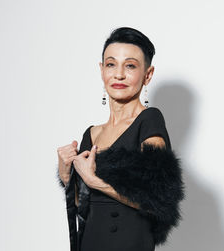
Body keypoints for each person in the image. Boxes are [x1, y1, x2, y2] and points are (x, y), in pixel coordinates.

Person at [57, 27, 185, 251]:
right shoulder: (91, 134)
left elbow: (158, 201)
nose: (118, 74)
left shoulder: (149, 121)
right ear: (101, 70)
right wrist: (67, 176)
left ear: (148, 74)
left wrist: (96, 181)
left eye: (130, 66)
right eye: (110, 64)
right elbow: (84, 207)